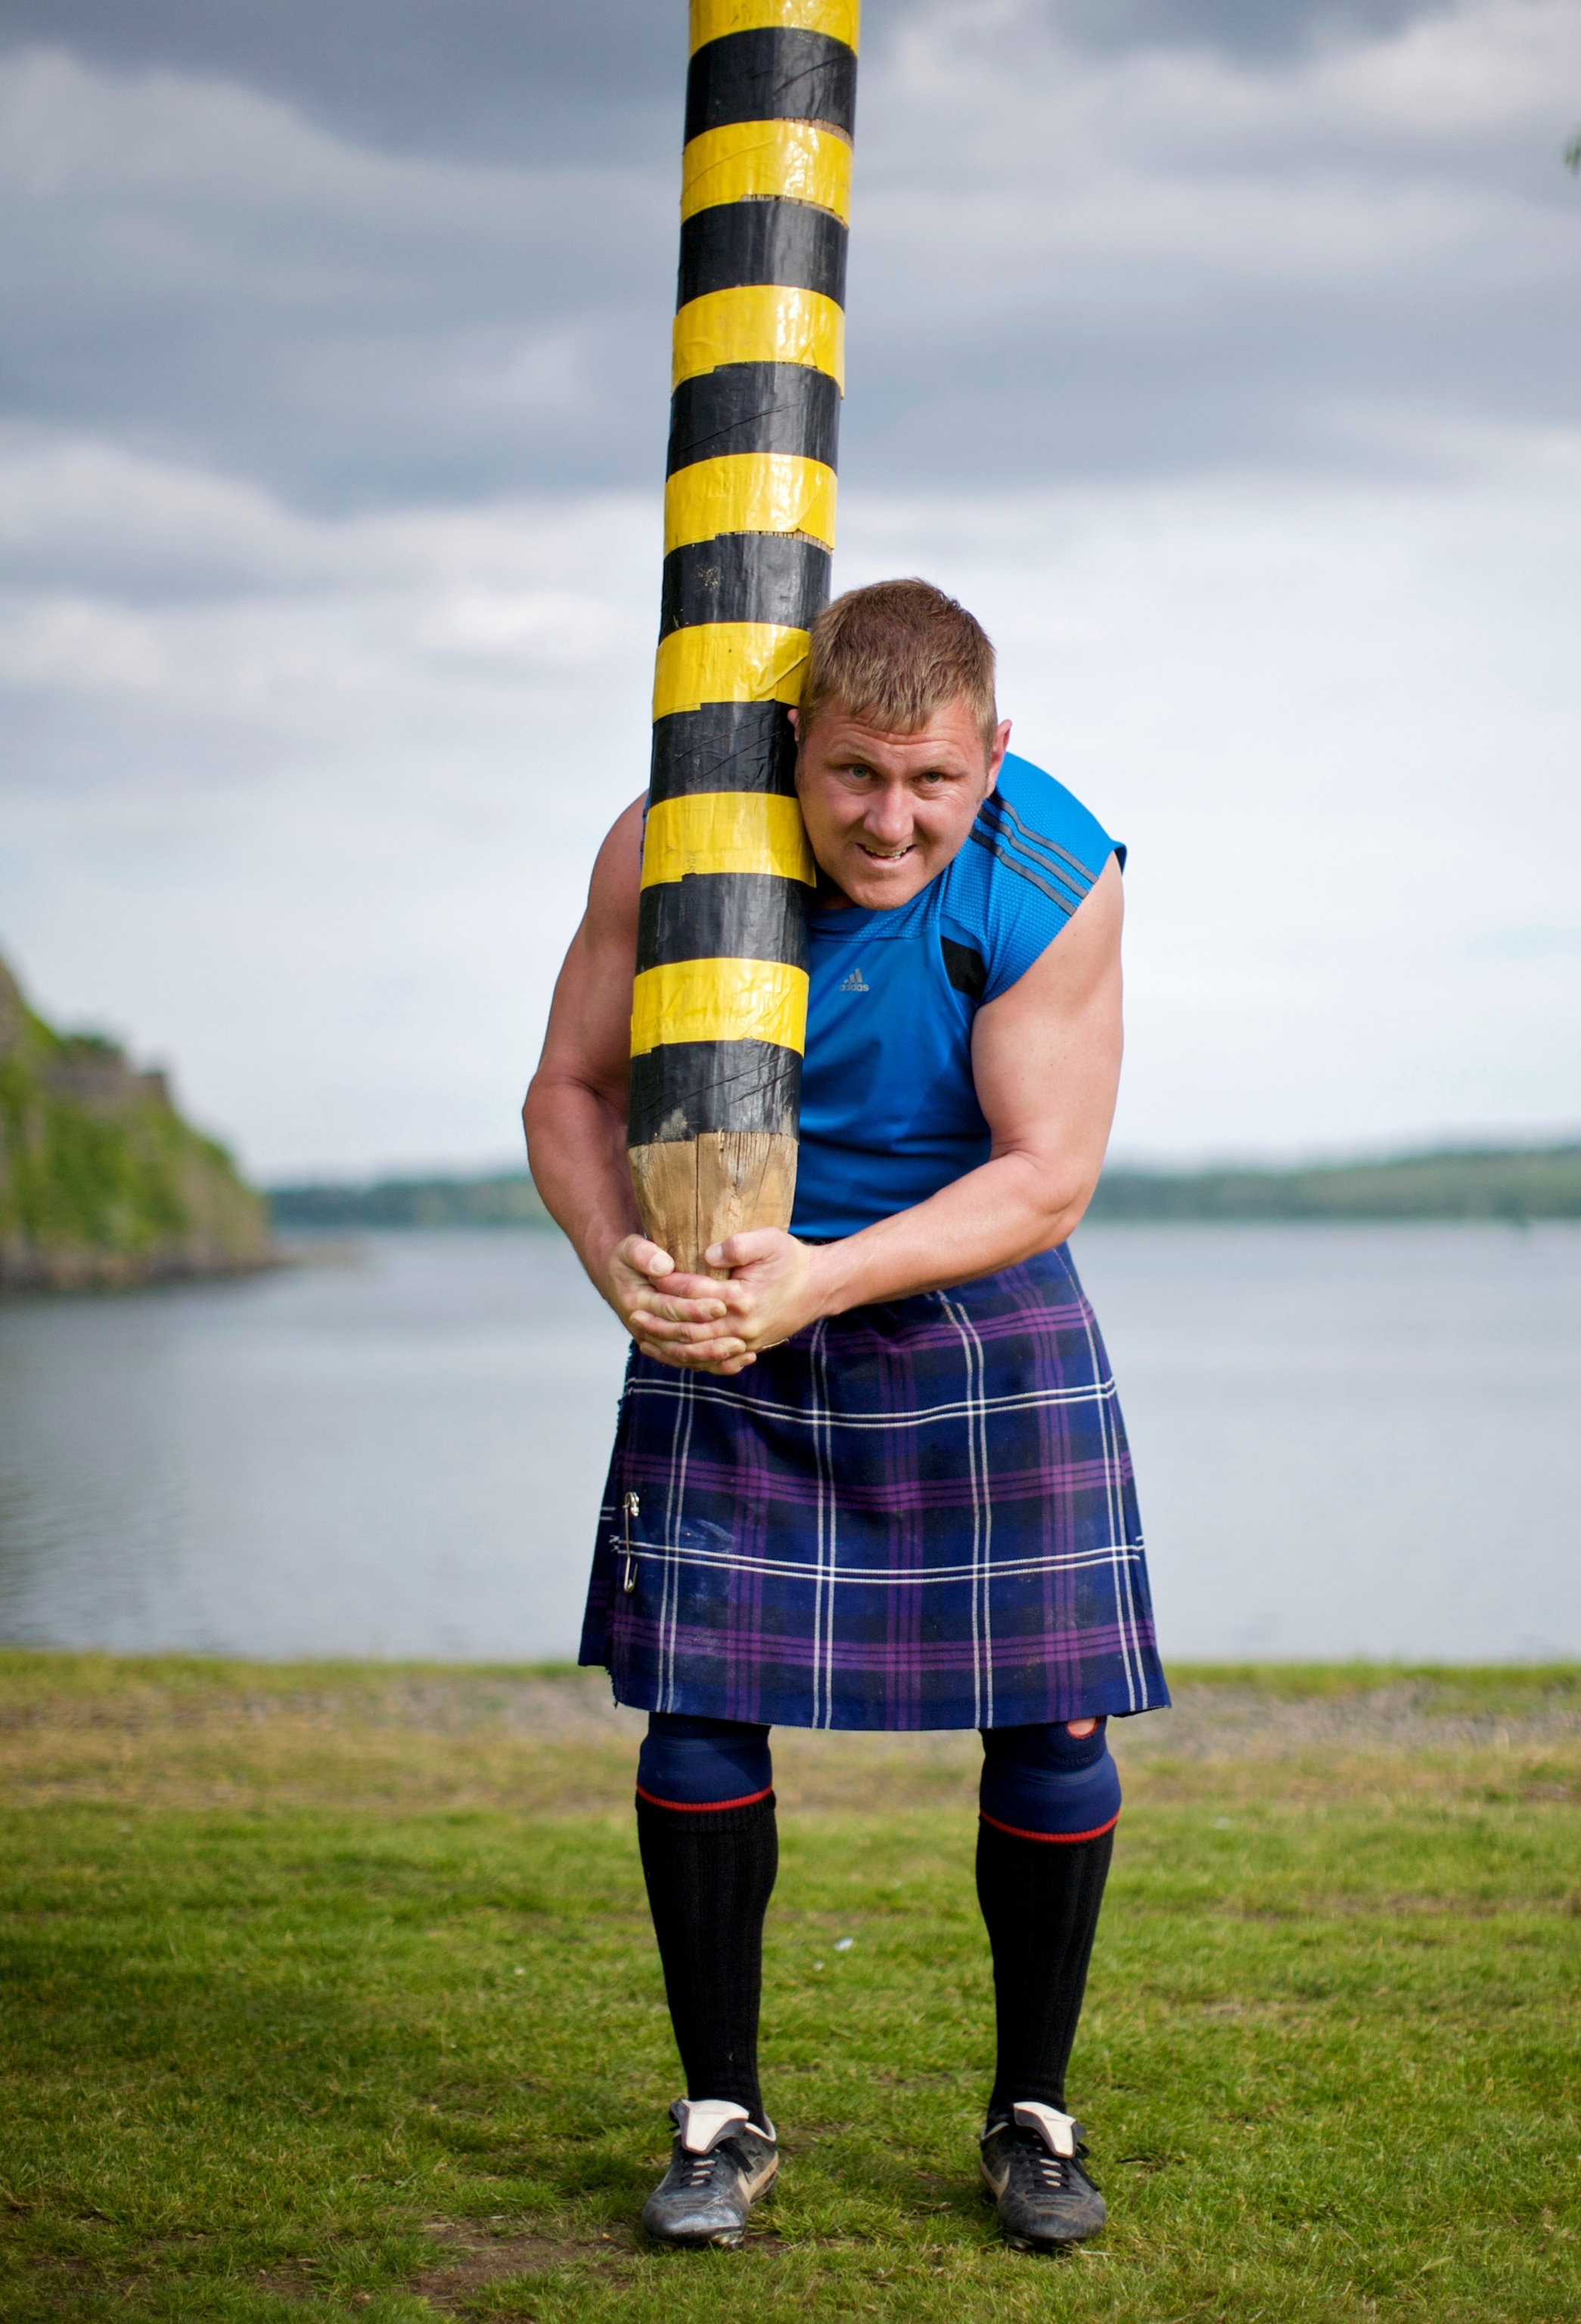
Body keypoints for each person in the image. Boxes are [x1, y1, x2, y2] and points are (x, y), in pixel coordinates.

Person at [524, 578, 1169, 2252]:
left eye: (934, 783)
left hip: (964, 1288)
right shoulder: (673, 843)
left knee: (1056, 1719)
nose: (892, 821)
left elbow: (1049, 1178)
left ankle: (1033, 2114)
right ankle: (719, 2118)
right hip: (726, 1285)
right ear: (794, 744)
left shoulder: (1050, 878)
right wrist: (622, 1267)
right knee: (696, 1702)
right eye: (856, 776)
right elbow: (572, 1089)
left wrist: (821, 1280)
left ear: (995, 759)